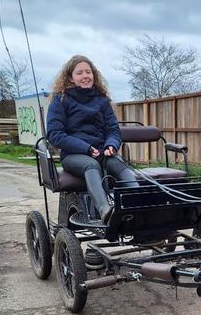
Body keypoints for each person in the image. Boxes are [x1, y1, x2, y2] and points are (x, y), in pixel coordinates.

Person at [46, 54, 138, 224]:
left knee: (118, 163)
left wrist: (111, 145)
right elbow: (55, 134)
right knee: (91, 164)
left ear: (94, 75)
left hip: (102, 152)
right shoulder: (61, 100)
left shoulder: (102, 100)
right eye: (79, 72)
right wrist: (86, 148)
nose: (85, 76)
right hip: (74, 155)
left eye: (88, 72)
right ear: (70, 78)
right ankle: (105, 211)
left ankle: (138, 204)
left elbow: (113, 129)